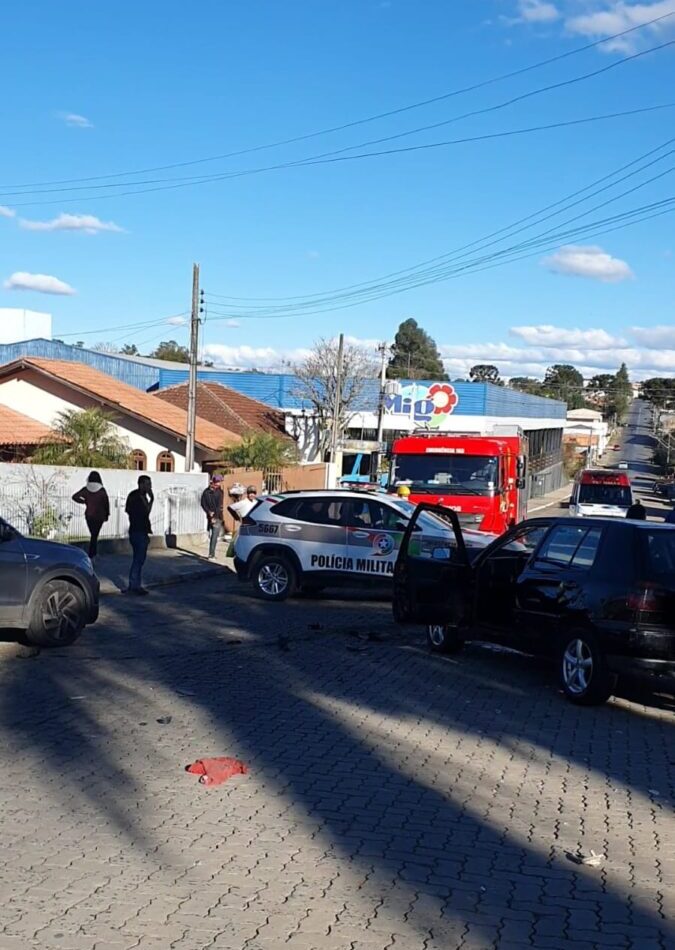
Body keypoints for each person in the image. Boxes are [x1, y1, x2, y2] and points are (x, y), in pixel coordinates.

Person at [125, 475, 154, 595]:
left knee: (139, 559)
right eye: (147, 484)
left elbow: (146, 512)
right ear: (141, 484)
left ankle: (136, 584)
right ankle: (133, 585)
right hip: (137, 530)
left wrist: (151, 499)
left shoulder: (143, 497)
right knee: (138, 560)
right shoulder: (135, 496)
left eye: (150, 484)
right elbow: (142, 512)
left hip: (141, 530)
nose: (149, 487)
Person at [72, 471, 110, 559]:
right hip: (99, 516)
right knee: (95, 535)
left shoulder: (86, 489)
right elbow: (106, 503)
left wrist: (84, 501)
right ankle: (92, 554)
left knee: (93, 534)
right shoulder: (101, 490)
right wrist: (107, 514)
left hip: (89, 515)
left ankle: (93, 554)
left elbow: (75, 496)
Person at [201, 474, 224, 559]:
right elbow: (218, 506)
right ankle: (211, 554)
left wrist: (208, 512)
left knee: (213, 535)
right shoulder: (218, 492)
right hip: (216, 517)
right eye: (218, 482)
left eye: (219, 481)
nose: (219, 483)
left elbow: (203, 504)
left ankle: (211, 553)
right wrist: (213, 516)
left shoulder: (206, 491)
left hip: (211, 515)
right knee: (214, 536)